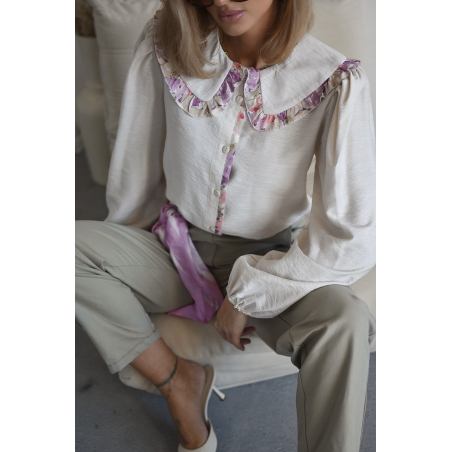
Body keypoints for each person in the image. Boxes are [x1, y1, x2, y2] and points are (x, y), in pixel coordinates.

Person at [75, 0, 377, 451]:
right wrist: (123, 254)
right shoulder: (167, 42)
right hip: (176, 246)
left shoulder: (333, 79)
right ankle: (180, 383)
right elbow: (138, 155)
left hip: (269, 258)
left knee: (344, 320)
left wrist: (248, 293)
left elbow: (353, 236)